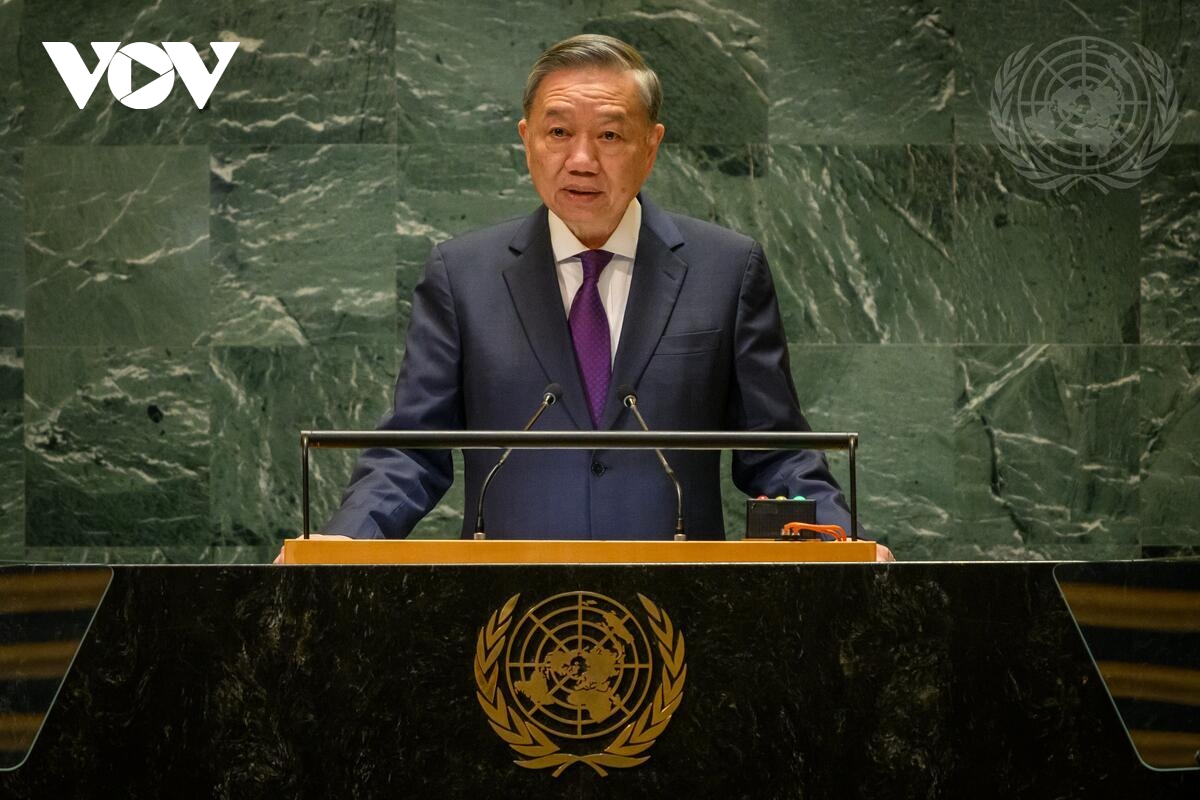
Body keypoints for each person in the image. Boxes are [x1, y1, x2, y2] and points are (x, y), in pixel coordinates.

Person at [288, 34, 892, 560]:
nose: (581, 160)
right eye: (558, 132)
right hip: (511, 615)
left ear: (651, 146)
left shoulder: (726, 270)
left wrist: (842, 540)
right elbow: (411, 449)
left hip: (682, 609)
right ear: (527, 139)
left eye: (609, 135)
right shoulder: (462, 275)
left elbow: (776, 452)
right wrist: (345, 540)